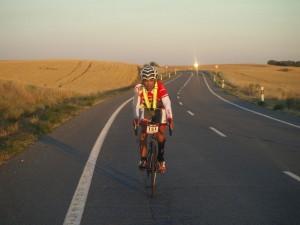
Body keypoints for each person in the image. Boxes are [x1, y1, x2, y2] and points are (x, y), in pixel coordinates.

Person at [132, 65, 174, 173]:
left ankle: (161, 160)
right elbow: (136, 104)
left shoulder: (160, 87)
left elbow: (167, 102)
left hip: (159, 110)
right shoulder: (138, 88)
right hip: (146, 110)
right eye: (145, 80)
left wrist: (170, 117)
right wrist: (136, 118)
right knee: (143, 133)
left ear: (155, 79)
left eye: (151, 80)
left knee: (160, 135)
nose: (148, 83)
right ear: (142, 80)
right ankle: (143, 159)